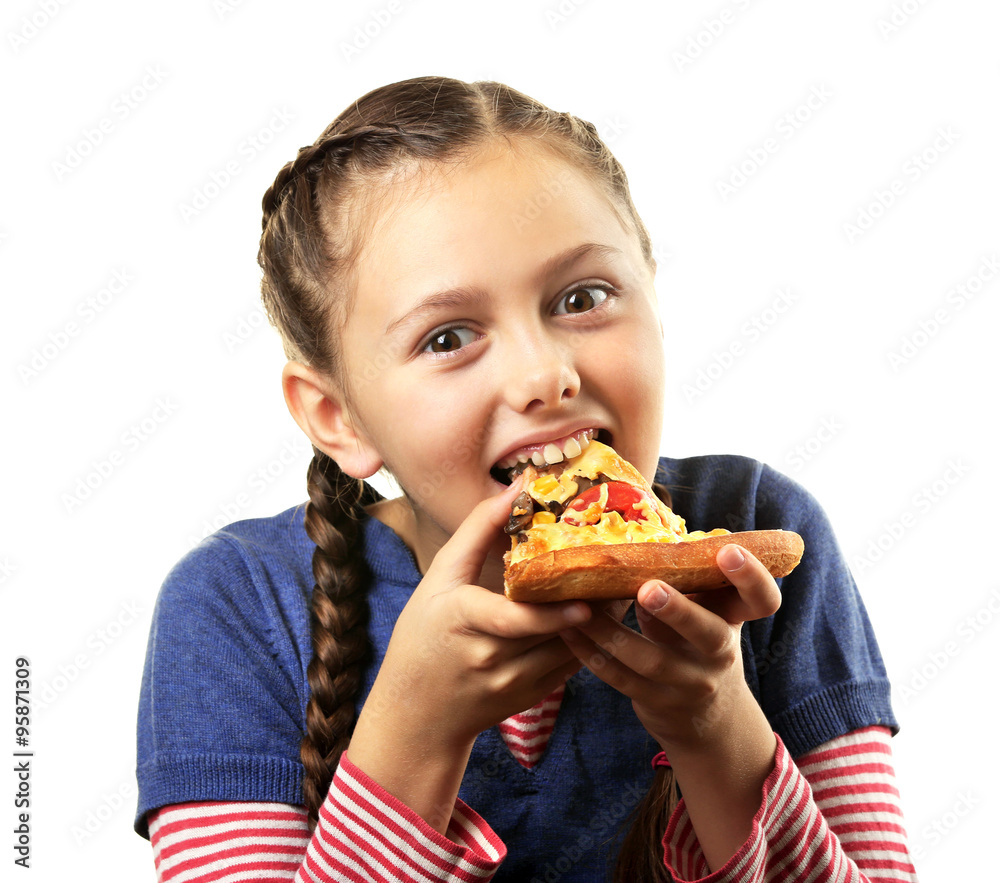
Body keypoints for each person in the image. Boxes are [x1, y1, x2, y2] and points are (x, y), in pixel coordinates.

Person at [134, 76, 918, 882]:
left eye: (582, 296)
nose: (545, 375)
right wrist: (416, 730)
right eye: (447, 338)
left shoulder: (754, 528)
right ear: (339, 417)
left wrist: (714, 722)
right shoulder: (238, 606)